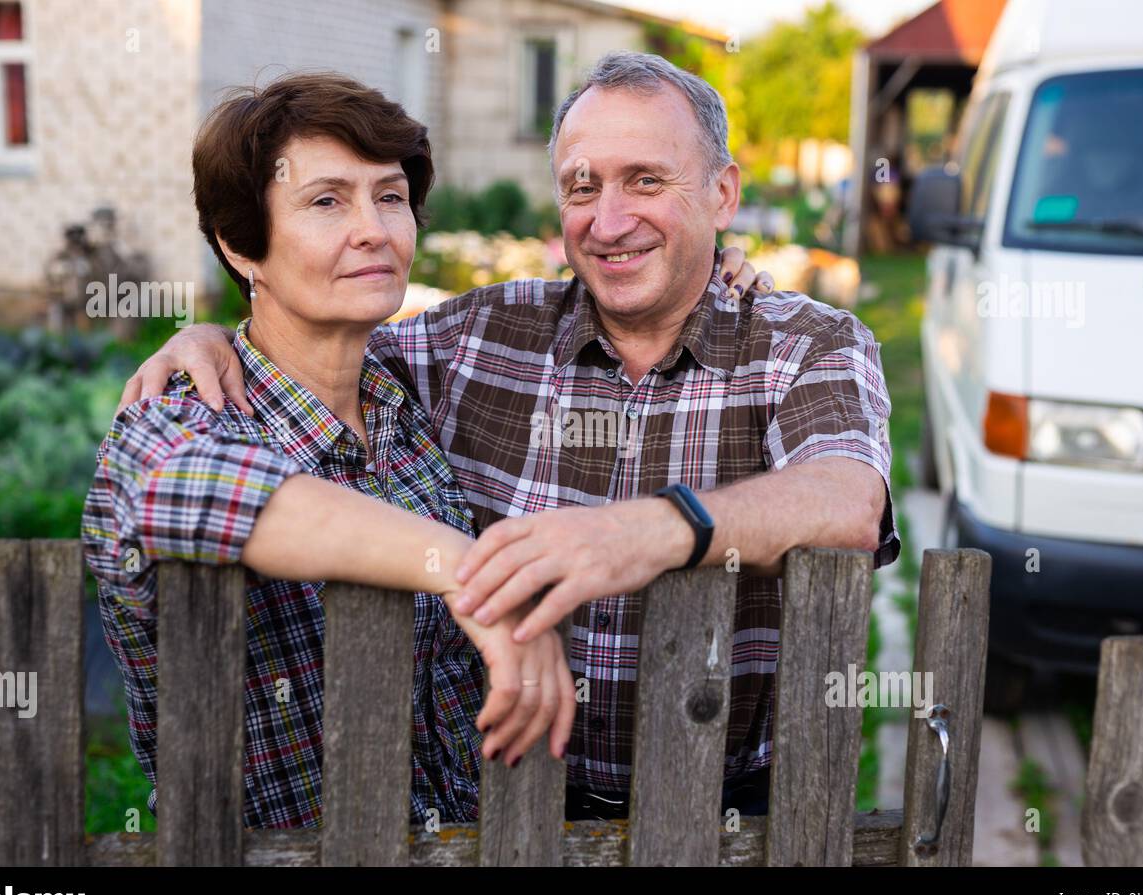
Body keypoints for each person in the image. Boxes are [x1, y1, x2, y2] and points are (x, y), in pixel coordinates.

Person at [122, 53, 900, 822]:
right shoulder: (474, 343)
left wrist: (653, 531)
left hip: (720, 813)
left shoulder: (803, 344)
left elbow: (847, 499)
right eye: (582, 187)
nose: (611, 220)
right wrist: (212, 337)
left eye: (648, 181)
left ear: (722, 192)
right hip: (508, 812)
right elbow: (286, 371)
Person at [82, 74, 582, 829]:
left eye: (389, 196)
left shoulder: (407, 402)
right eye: (326, 201)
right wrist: (467, 574)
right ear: (239, 245)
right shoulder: (172, 423)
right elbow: (209, 495)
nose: (374, 229)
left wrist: (724, 277)